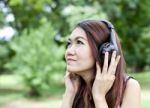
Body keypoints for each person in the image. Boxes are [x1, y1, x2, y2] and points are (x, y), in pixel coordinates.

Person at [61, 20, 141, 108]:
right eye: (69, 43)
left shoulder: (129, 87)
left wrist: (99, 97)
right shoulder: (75, 87)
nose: (69, 51)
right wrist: (69, 94)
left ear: (103, 51)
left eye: (79, 42)